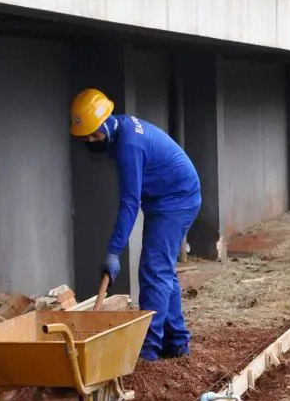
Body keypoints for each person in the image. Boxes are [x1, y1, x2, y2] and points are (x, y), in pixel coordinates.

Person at [70, 88, 202, 362]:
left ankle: (147, 350)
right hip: (164, 199)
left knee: (154, 270)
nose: (93, 141)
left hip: (177, 199)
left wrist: (113, 251)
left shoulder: (129, 144)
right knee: (162, 270)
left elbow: (130, 202)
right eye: (87, 138)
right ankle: (177, 342)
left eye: (96, 134)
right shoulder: (122, 132)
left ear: (107, 120)